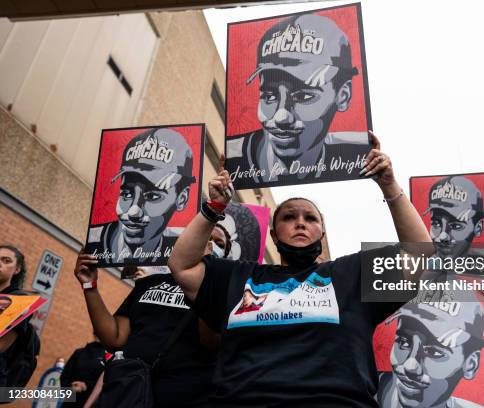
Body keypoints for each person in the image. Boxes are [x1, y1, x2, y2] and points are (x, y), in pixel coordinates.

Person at [169, 132, 433, 406]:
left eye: (310, 218)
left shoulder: (352, 274)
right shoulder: (238, 277)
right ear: (273, 235)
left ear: (322, 234)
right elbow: (182, 265)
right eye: (289, 217)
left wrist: (388, 185)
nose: (300, 222)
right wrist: (215, 207)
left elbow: (420, 255)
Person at [225, 13, 371, 189]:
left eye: (304, 96)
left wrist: (389, 184)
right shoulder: (232, 158)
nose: (281, 117)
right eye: (269, 96)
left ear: (343, 95)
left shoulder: (358, 154)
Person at [74, 250, 218, 407]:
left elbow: (212, 341)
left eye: (219, 243)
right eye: (206, 236)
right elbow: (115, 338)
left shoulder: (222, 291)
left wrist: (207, 281)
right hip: (131, 394)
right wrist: (89, 285)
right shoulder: (149, 283)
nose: (208, 243)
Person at [87, 127, 196, 264]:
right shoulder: (94, 242)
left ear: (182, 199)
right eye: (126, 194)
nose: (133, 211)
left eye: (152, 197)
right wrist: (88, 284)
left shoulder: (182, 253)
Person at [377, 280, 484, 408]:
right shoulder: (360, 392)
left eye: (434, 352)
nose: (410, 366)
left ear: (470, 364)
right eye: (404, 342)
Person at [0, 245, 40, 391]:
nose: (0, 264)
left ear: (17, 269)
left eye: (6, 260)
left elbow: (2, 345)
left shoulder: (19, 300)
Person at [423, 176, 484, 263]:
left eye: (456, 226)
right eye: (436, 224)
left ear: (478, 228)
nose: (443, 236)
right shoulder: (420, 266)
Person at [60, 338, 106, 408]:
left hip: (90, 402)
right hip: (70, 402)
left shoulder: (110, 358)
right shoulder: (79, 353)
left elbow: (106, 384)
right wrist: (71, 388)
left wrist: (86, 386)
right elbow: (64, 377)